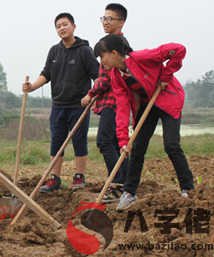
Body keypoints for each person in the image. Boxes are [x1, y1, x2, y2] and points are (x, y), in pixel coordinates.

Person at [93, 34, 195, 211]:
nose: (101, 62)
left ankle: (188, 188)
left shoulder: (141, 57)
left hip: (168, 98)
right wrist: (123, 141)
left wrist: (166, 74)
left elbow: (179, 49)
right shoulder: (116, 76)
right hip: (147, 104)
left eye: (102, 56)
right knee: (137, 147)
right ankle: (130, 193)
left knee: (171, 145)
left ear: (114, 53)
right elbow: (123, 109)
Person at [22, 13, 99, 192]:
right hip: (58, 105)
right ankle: (54, 179)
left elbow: (97, 75)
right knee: (56, 142)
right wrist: (32, 86)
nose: (62, 28)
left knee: (79, 141)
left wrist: (94, 96)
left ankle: (79, 177)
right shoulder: (54, 51)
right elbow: (46, 74)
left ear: (73, 27)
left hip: (79, 105)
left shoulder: (84, 50)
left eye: (65, 24)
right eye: (58, 26)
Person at [81, 3, 130, 203]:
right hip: (108, 100)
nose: (105, 22)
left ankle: (119, 183)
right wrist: (97, 98)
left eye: (110, 19)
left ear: (121, 22)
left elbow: (109, 77)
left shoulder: (118, 44)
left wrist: (91, 94)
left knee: (104, 141)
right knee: (113, 143)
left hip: (115, 102)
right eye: (103, 18)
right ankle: (123, 182)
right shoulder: (108, 42)